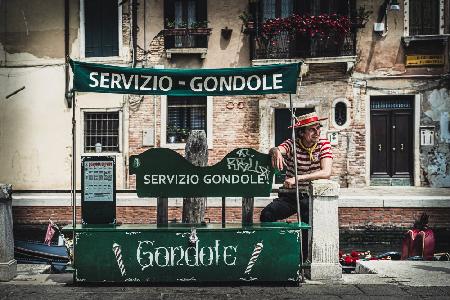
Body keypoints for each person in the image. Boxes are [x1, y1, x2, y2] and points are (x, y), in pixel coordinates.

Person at [260, 112, 333, 259]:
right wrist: (275, 151)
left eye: (318, 128)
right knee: (267, 214)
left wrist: (297, 178)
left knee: (307, 225)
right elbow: (276, 150)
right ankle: (272, 251)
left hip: (309, 196)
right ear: (301, 132)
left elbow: (326, 172)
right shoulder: (292, 144)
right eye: (312, 129)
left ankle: (302, 260)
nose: (317, 132)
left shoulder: (323, 144)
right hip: (290, 196)